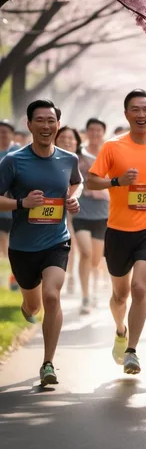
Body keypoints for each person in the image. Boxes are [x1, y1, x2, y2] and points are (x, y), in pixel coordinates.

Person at [87, 89, 146, 374]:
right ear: (126, 115)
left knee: (140, 288)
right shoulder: (113, 147)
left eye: (145, 109)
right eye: (135, 110)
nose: (141, 114)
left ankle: (132, 351)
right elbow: (91, 181)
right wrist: (117, 181)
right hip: (118, 230)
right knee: (120, 296)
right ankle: (120, 329)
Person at [0, 99, 82, 386]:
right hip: (22, 247)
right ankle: (26, 305)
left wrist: (74, 198)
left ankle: (48, 362)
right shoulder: (13, 161)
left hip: (56, 242)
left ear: (58, 125)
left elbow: (76, 182)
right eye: (40, 120)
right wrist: (22, 202)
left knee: (51, 296)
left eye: (51, 120)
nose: (46, 126)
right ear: (29, 125)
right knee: (33, 306)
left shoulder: (68, 159)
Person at [71, 118, 109, 314]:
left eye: (98, 130)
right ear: (87, 132)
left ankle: (94, 289)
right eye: (91, 130)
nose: (95, 133)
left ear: (103, 132)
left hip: (103, 212)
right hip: (81, 211)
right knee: (84, 253)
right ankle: (85, 296)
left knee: (95, 258)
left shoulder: (109, 152)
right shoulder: (79, 155)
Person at [55, 127, 82, 295]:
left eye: (70, 138)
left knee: (69, 240)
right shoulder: (47, 156)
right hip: (50, 207)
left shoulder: (79, 159)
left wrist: (73, 197)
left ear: (77, 142)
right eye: (62, 137)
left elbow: (80, 182)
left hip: (76, 208)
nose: (66, 141)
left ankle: (70, 275)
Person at [0, 120, 20, 259]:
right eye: (0, 132)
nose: (2, 135)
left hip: (14, 207)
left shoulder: (18, 153)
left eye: (5, 132)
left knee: (10, 243)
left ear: (12, 134)